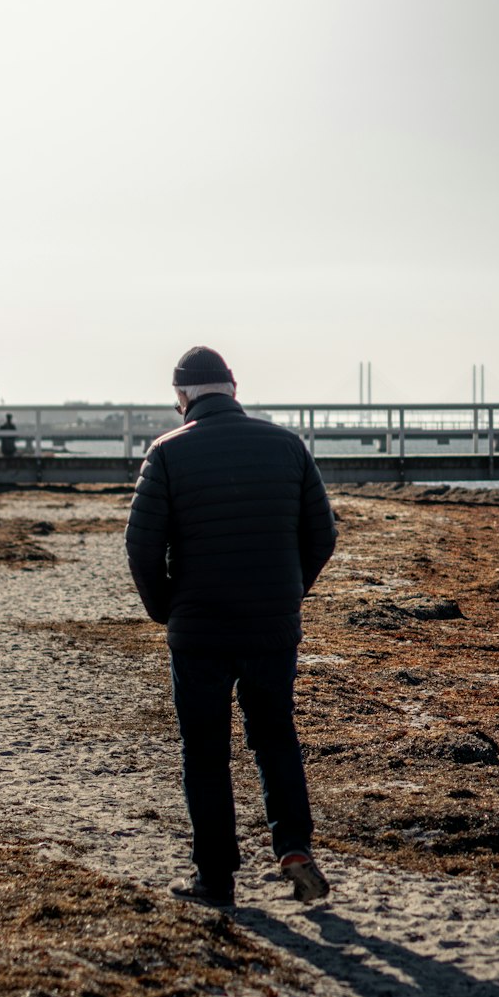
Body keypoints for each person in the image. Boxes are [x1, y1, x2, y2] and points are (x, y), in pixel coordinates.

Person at [125, 346, 337, 907]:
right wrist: (287, 592)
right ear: (233, 388)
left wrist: (164, 607)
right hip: (271, 627)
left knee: (205, 752)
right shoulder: (288, 446)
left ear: (183, 397)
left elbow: (141, 545)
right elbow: (324, 535)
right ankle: (294, 846)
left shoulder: (167, 453)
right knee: (274, 738)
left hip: (199, 632)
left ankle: (215, 878)